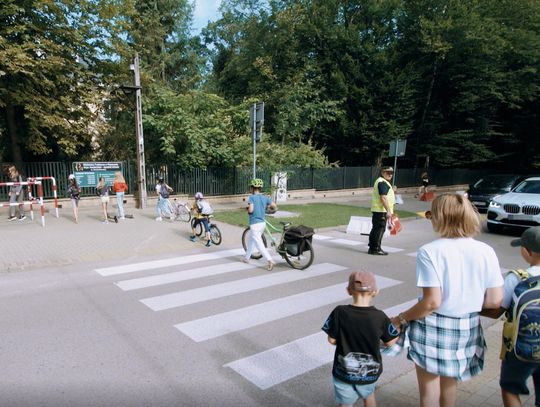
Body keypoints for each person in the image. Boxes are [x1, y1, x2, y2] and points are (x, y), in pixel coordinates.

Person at [390, 193, 503, 407]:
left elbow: (432, 302)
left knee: (428, 394)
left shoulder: (430, 251)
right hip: (466, 328)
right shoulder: (486, 252)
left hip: (433, 328)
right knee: (450, 390)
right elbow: (495, 301)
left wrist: (400, 319)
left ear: (440, 218)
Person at [481, 226, 540, 407]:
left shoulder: (517, 278)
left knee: (510, 388)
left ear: (525, 252)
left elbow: (496, 310)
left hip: (519, 350)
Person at [322, 271, 399, 407]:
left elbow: (331, 340)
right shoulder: (380, 317)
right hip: (370, 375)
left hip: (343, 372)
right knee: (369, 396)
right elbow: (391, 342)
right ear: (375, 292)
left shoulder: (339, 312)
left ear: (348, 291)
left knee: (345, 403)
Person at [242, 178, 277, 271]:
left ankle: (270, 260)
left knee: (259, 243)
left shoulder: (251, 198)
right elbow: (274, 206)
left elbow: (251, 210)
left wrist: (248, 209)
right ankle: (247, 258)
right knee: (251, 240)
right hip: (262, 223)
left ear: (252, 188)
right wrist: (269, 210)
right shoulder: (265, 197)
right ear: (260, 188)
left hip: (254, 224)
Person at [368, 166, 395, 255]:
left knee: (376, 228)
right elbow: (383, 197)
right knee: (380, 229)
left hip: (378, 210)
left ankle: (372, 247)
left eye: (391, 173)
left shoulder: (381, 181)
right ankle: (375, 249)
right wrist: (388, 211)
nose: (390, 174)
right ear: (382, 173)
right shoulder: (382, 182)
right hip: (381, 211)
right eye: (387, 172)